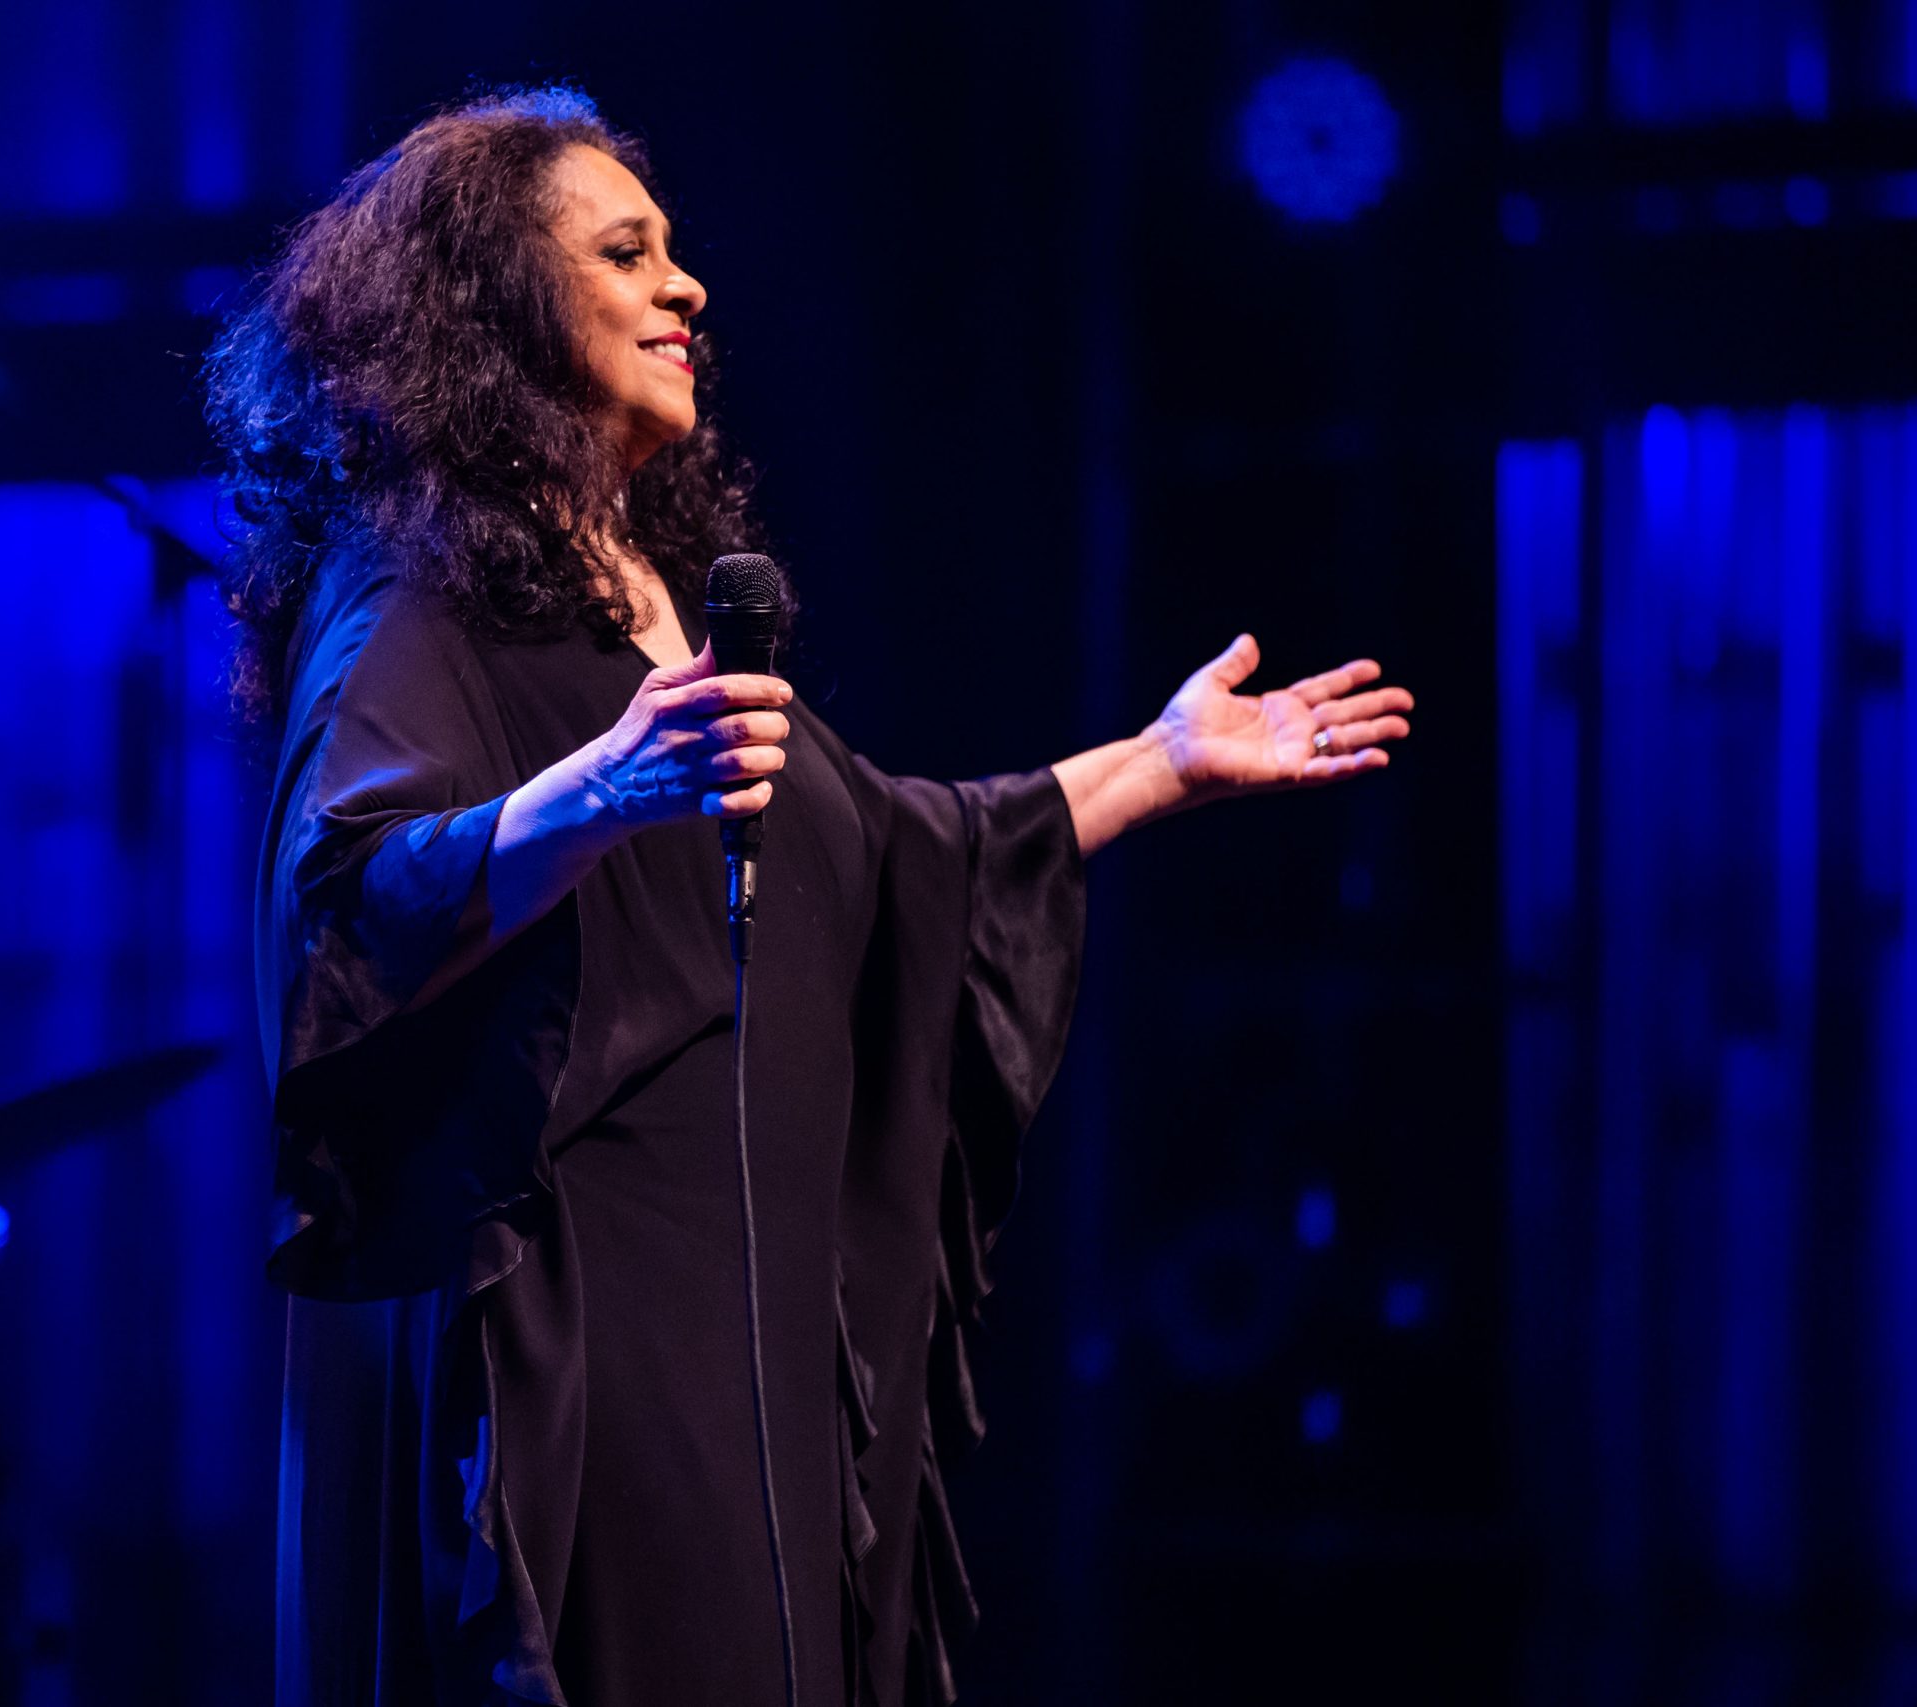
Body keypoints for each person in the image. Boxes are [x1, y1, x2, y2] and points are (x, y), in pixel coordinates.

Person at [204, 86, 1413, 1707]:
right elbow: (346, 903)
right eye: (625, 253)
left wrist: (1162, 761)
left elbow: (908, 853)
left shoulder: (657, 615)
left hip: (752, 1323)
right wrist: (603, 787)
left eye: (677, 251)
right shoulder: (421, 587)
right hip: (593, 1330)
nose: (685, 287)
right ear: (494, 307)